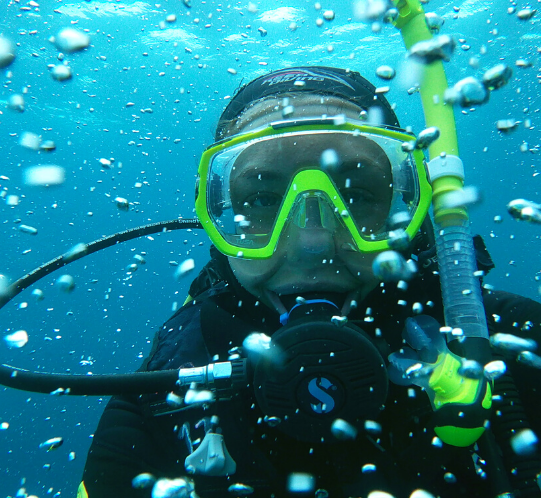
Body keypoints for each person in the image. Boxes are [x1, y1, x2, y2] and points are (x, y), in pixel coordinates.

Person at [78, 67, 541, 498]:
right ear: (217, 224)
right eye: (261, 199)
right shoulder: (162, 402)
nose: (312, 241)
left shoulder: (519, 348)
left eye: (357, 196)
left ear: (409, 210)